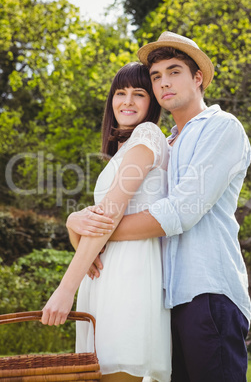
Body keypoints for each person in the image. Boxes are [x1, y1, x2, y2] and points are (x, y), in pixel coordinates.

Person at [68, 32, 251, 382]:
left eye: (175, 71)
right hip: (165, 299)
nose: (164, 82)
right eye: (156, 76)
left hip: (208, 292)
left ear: (198, 78)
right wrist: (77, 222)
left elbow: (182, 211)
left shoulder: (221, 127)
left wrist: (100, 231)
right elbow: (130, 202)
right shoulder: (164, 142)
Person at [41, 62, 172, 382]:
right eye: (120, 93)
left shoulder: (148, 134)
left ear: (152, 102)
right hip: (104, 279)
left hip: (130, 277)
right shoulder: (122, 150)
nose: (127, 101)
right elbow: (97, 237)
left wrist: (64, 289)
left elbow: (109, 215)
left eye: (138, 94)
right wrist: (74, 223)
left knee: (119, 371)